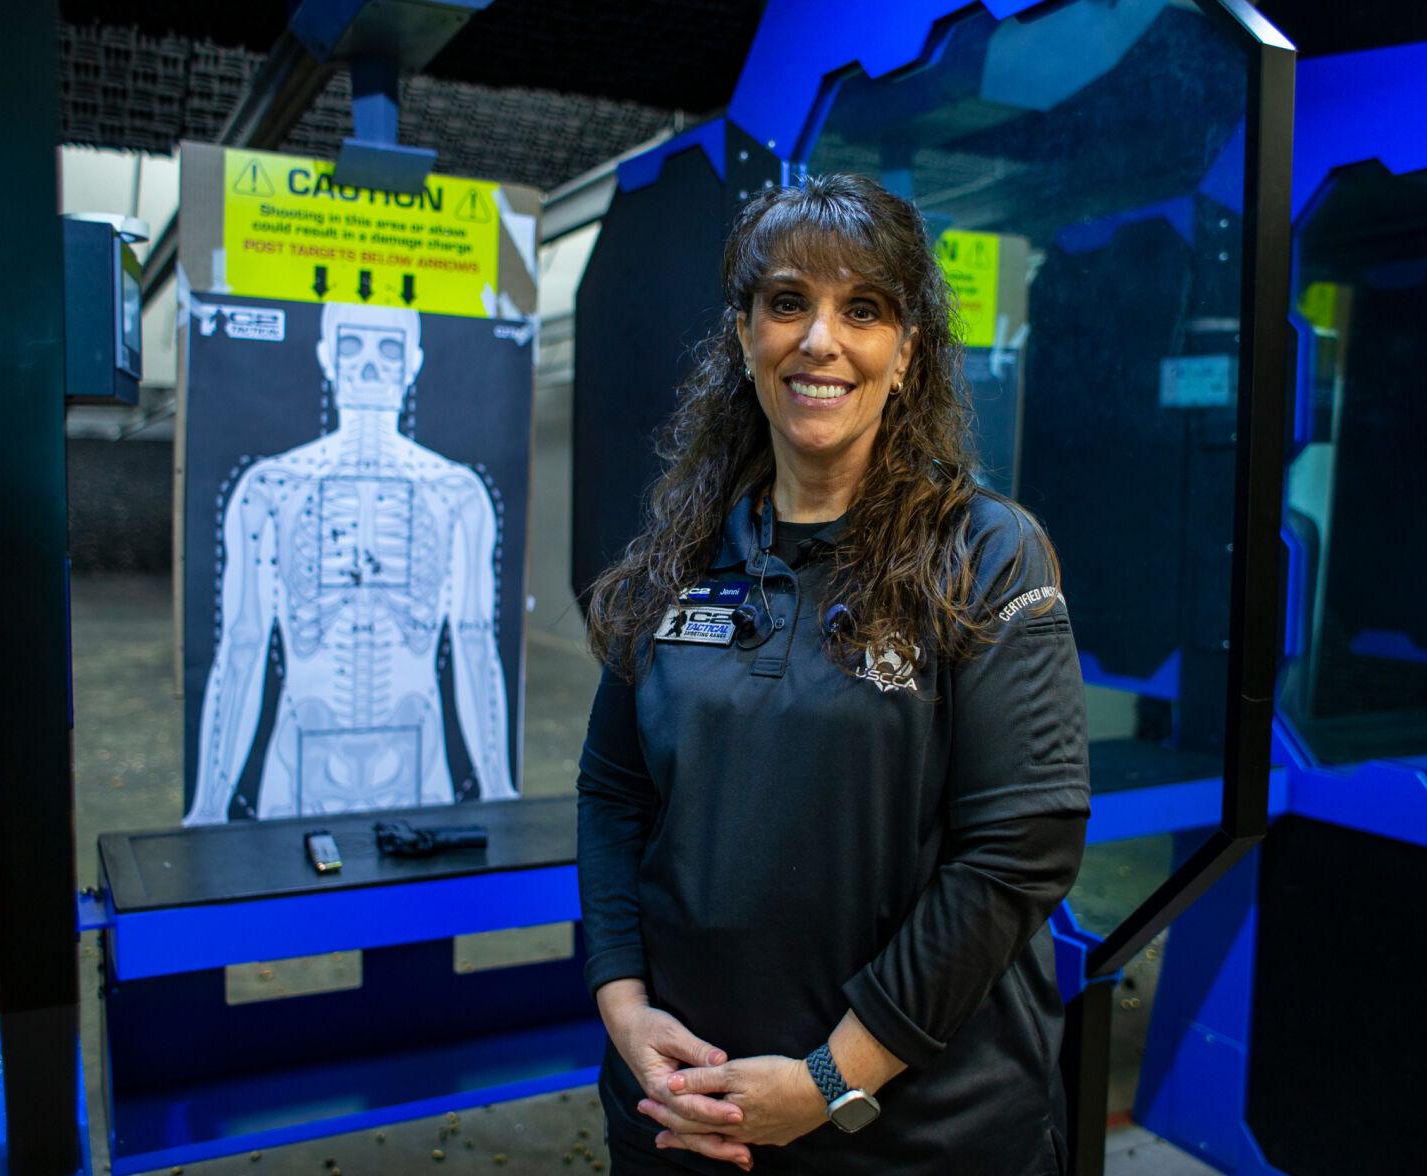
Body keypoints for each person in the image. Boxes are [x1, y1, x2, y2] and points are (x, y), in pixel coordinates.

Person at [576, 173, 1090, 1175]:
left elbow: (1015, 851)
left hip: (913, 1134)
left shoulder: (985, 555)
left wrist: (828, 1080)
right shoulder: (678, 557)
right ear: (743, 336)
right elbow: (612, 791)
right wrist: (623, 1006)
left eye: (862, 309)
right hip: (685, 1115)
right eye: (786, 303)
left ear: (905, 353)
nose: (819, 340)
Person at [185, 301, 514, 824]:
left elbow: (475, 647)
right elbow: (242, 648)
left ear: (412, 363)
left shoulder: (456, 494)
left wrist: (499, 787)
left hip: (416, 755)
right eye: (351, 345)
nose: (368, 367)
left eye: (387, 350)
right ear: (326, 357)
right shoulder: (271, 489)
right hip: (301, 753)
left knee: (418, 901)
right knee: (291, 900)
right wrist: (208, 807)